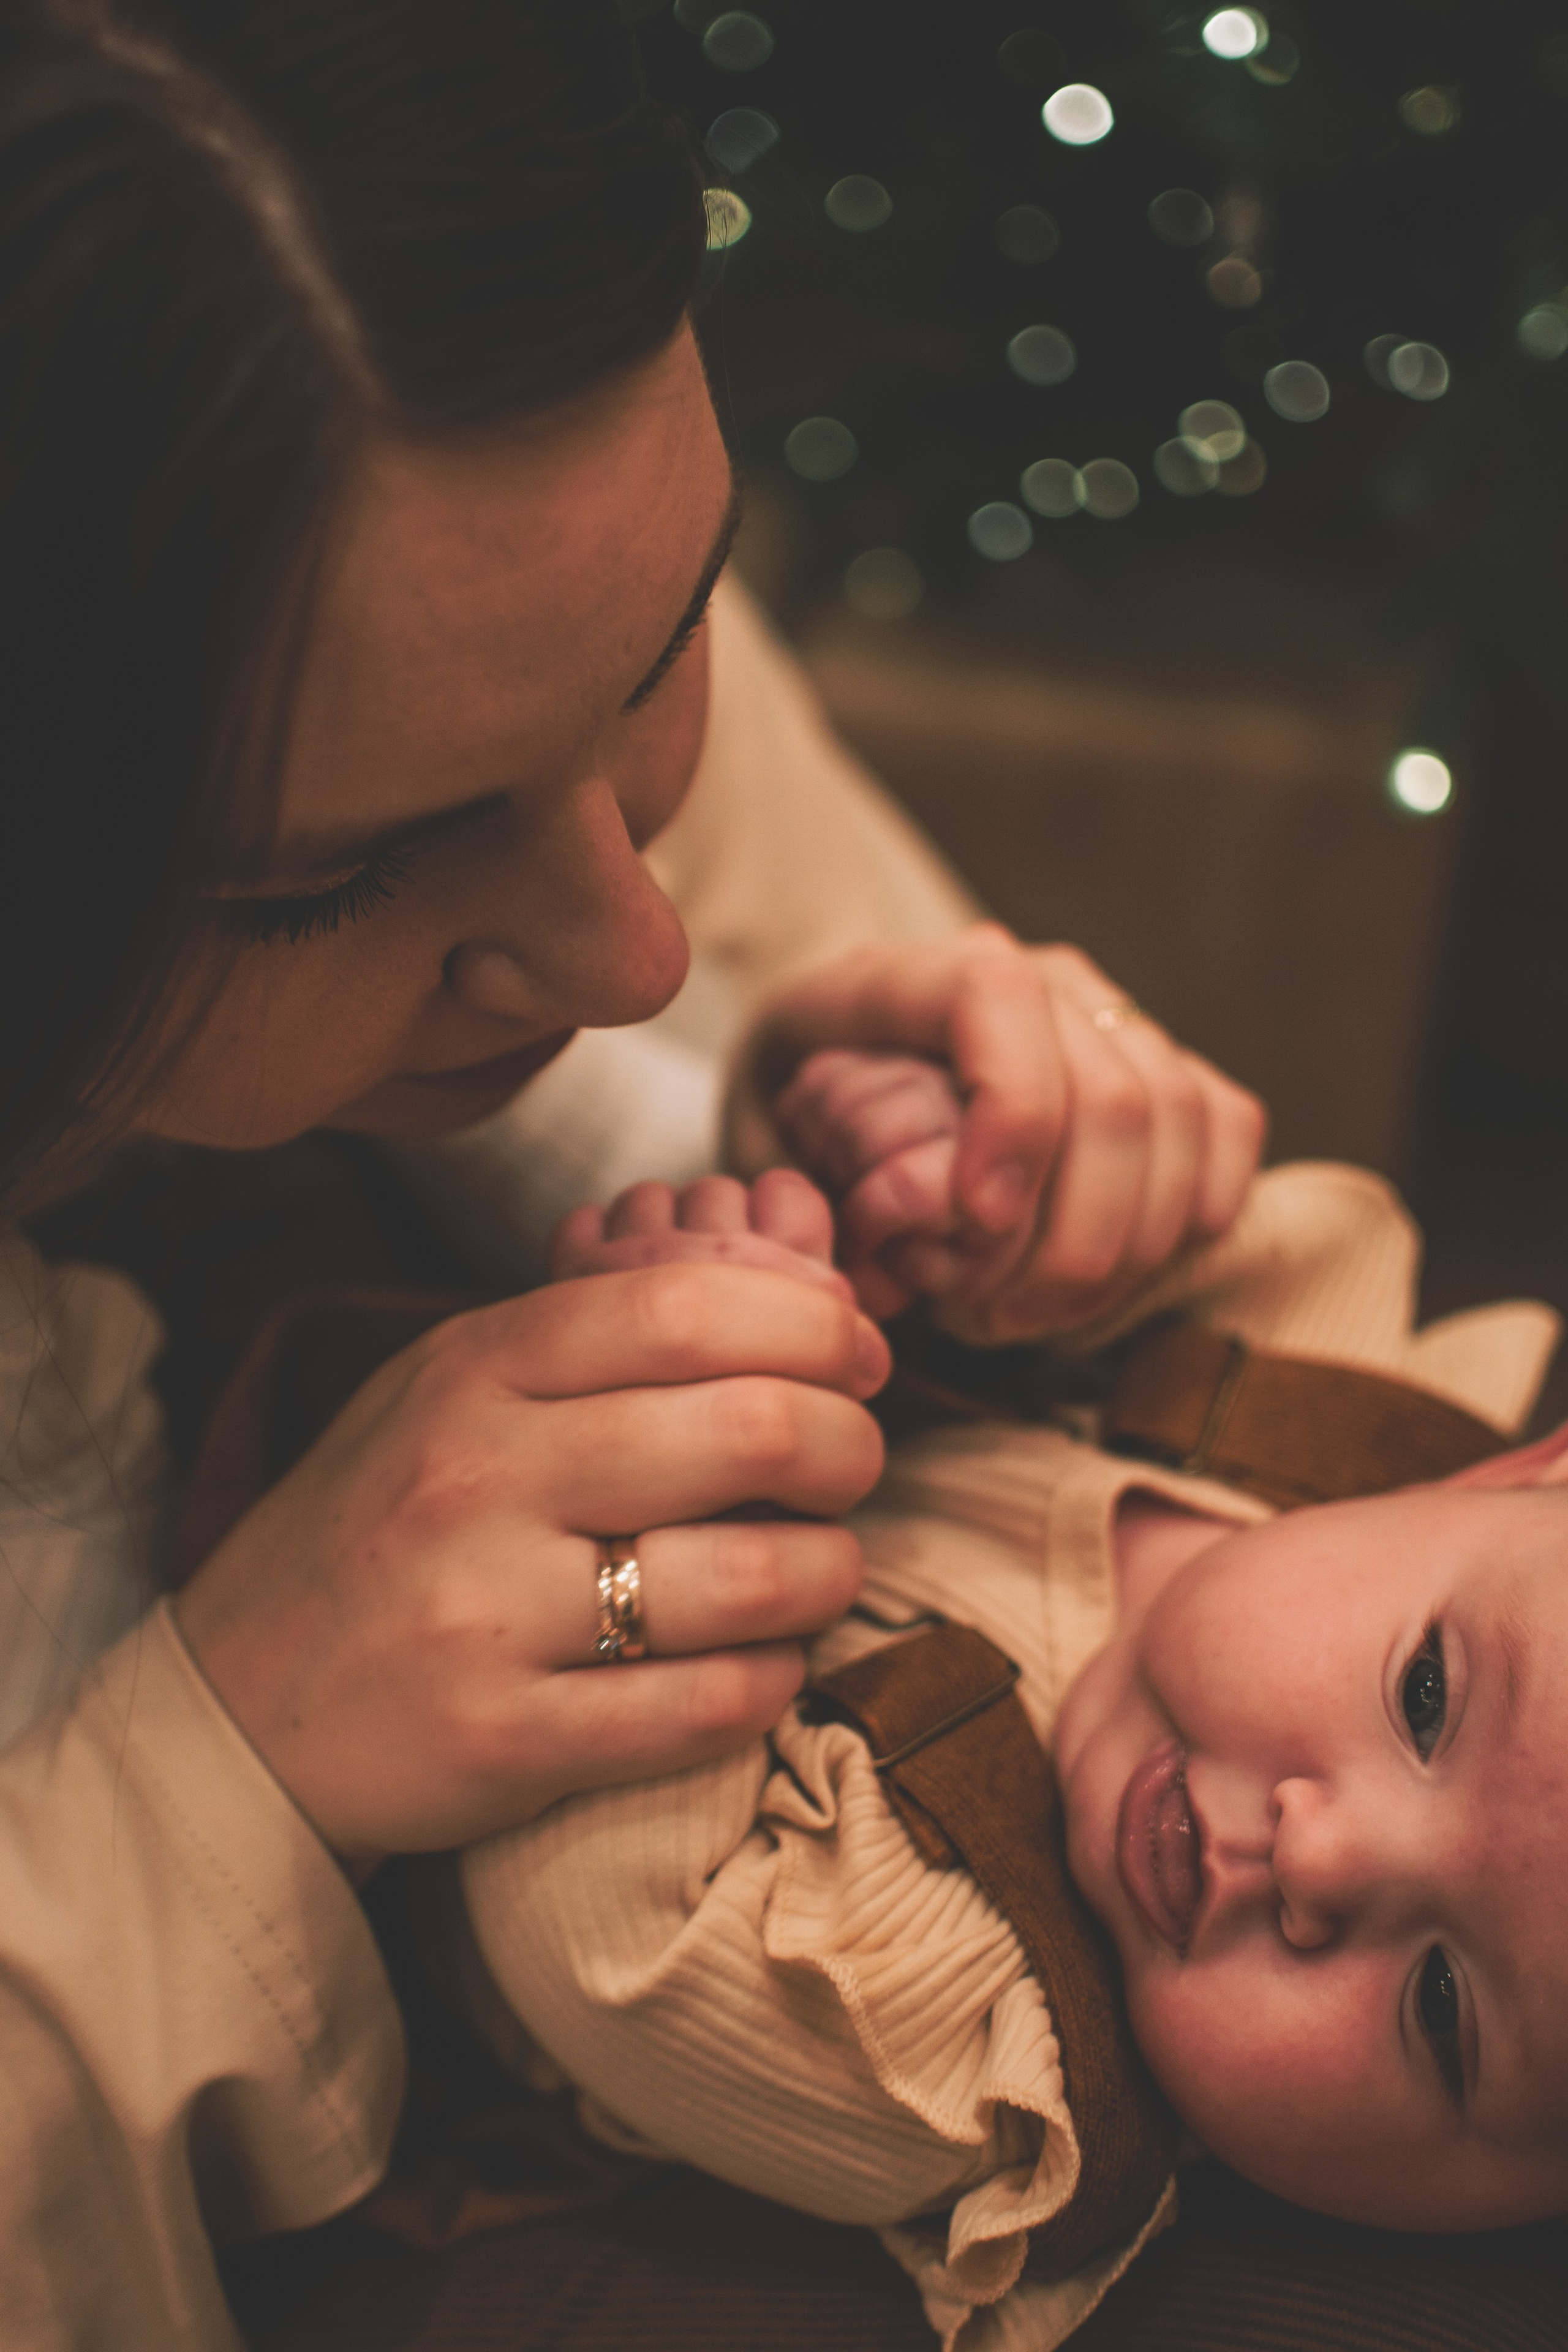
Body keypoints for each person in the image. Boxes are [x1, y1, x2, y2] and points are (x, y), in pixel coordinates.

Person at [0, 5, 1265, 2345]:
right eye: (326, 882)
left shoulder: (425, 401)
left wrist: (856, 1133)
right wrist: (220, 1773)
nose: (632, 942)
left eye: (672, 639)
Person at [457, 1055, 1568, 2352]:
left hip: (355, 1686)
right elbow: (1145, 1199)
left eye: (1441, 2006)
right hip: (562, 1298)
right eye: (1426, 1697)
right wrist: (954, 1196)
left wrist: (690, 1444)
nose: (1313, 1852)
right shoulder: (1348, 1386)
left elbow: (592, 1930)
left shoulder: (962, 2053)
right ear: (1505, 1480)